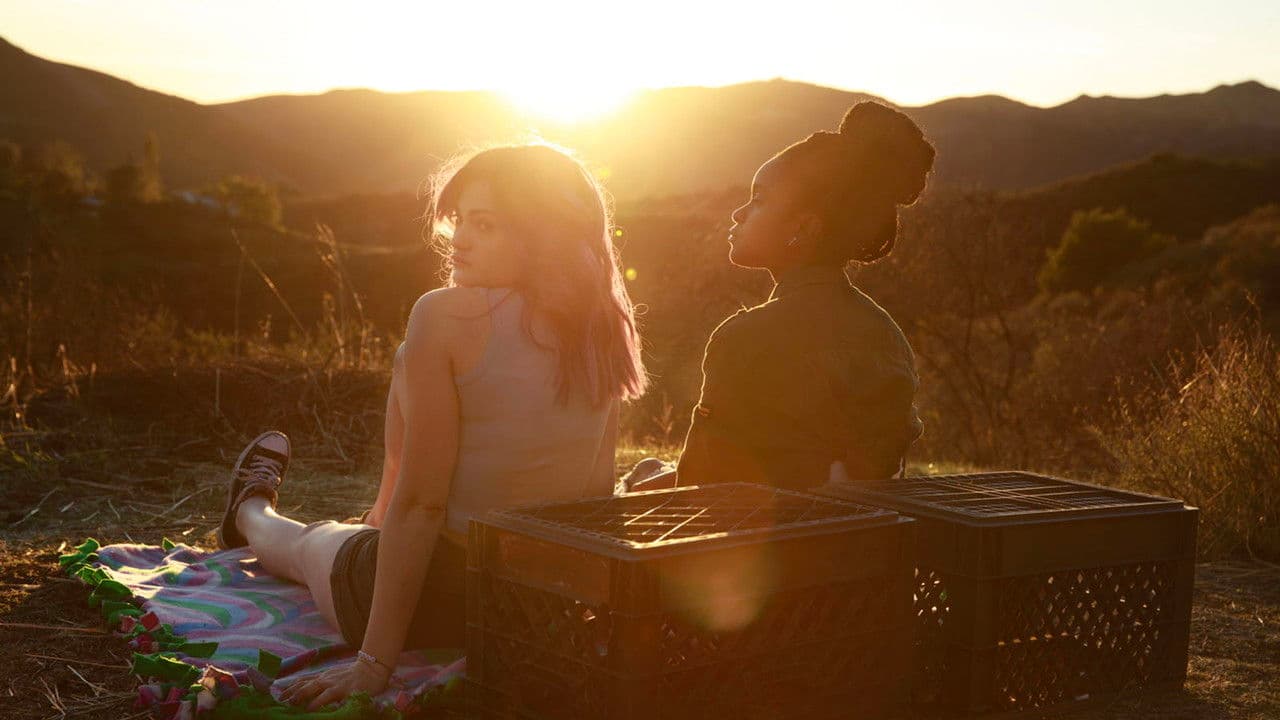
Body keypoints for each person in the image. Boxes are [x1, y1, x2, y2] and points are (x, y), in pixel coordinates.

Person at [213, 143, 647, 711]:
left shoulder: (444, 315)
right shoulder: (603, 326)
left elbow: (422, 505)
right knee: (407, 362)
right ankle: (375, 517)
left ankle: (249, 510)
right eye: (459, 220)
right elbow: (595, 496)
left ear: (543, 234)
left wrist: (373, 665)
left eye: (485, 225)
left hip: (427, 596)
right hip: (529, 608)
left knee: (305, 542)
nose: (459, 239)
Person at [628, 101, 931, 493]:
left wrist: (637, 489)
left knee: (641, 476)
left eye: (758, 199)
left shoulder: (743, 338)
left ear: (802, 228)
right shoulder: (887, 335)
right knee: (651, 468)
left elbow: (699, 484)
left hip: (769, 530)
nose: (738, 213)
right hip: (860, 529)